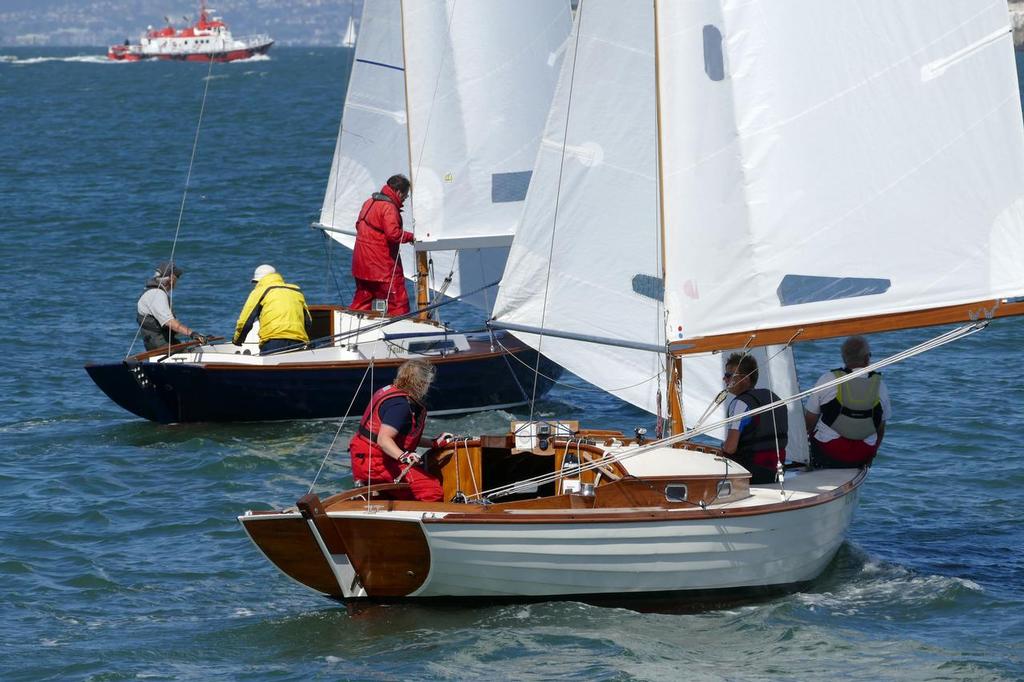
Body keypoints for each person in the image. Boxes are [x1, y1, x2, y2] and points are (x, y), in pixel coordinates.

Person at [348, 359, 445, 502]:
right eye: (427, 383)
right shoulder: (400, 406)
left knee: (410, 489)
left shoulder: (390, 391)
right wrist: (404, 457)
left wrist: (433, 442)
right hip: (377, 464)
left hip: (366, 460)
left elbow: (400, 438)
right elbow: (383, 439)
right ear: (420, 383)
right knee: (431, 491)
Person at [804, 335, 890, 469]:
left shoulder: (828, 379)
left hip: (828, 452)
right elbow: (880, 429)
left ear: (844, 358)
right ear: (867, 358)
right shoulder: (880, 385)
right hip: (862, 454)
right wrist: (871, 455)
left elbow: (809, 423)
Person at [349, 174, 415, 316]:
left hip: (361, 265)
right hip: (381, 267)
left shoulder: (368, 202)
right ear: (398, 192)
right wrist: (413, 237)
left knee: (362, 300)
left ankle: (355, 329)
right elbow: (394, 234)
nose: (405, 199)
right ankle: (400, 331)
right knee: (398, 303)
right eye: (406, 195)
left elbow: (358, 226)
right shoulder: (389, 208)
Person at [721, 352, 788, 484]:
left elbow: (730, 448)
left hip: (750, 473)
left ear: (745, 379)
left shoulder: (740, 404)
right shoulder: (775, 399)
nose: (725, 379)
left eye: (729, 375)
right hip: (776, 472)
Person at [232, 264, 311, 354]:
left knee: (270, 365)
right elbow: (308, 321)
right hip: (298, 342)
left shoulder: (259, 291)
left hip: (273, 342)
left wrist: (237, 340)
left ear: (260, 281)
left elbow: (245, 322)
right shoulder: (296, 291)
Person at [136, 261, 207, 351]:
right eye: (177, 277)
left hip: (161, 343)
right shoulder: (157, 294)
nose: (177, 281)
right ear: (171, 278)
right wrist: (192, 334)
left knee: (193, 349)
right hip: (161, 346)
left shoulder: (152, 292)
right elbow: (170, 323)